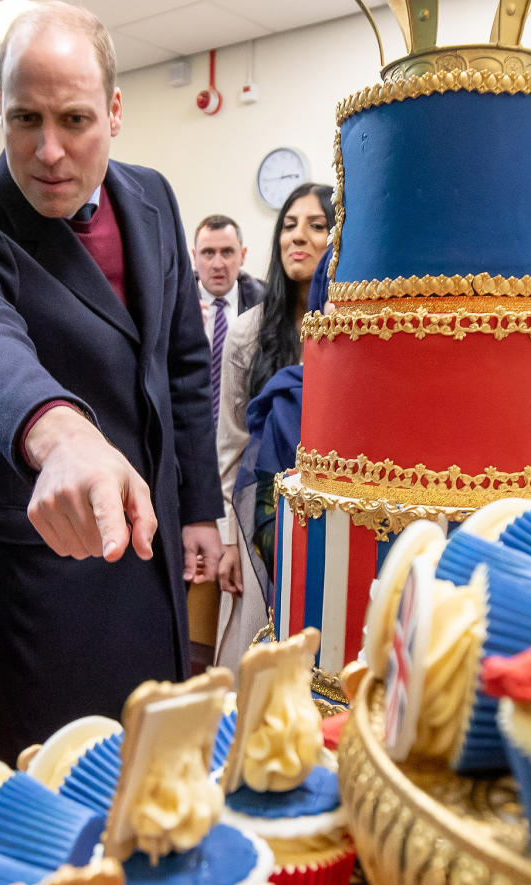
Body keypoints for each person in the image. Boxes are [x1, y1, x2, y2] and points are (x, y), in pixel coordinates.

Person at [0, 1, 223, 766]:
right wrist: (61, 436)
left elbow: (182, 364)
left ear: (114, 112)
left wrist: (202, 509)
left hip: (154, 550)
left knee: (154, 756)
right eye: (25, 119)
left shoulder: (152, 197)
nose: (49, 150)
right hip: (55, 564)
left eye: (74, 120)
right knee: (58, 777)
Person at [213, 182, 334, 671]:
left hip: (329, 520)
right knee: (253, 658)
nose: (297, 237)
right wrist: (227, 539)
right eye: (288, 225)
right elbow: (231, 444)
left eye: (317, 225)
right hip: (258, 515)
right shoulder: (249, 330)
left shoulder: (354, 333)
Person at [194, 214, 265, 421]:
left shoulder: (267, 306)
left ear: (242, 256)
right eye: (208, 253)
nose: (218, 264)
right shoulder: (172, 305)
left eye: (227, 252)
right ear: (194, 257)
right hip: (190, 429)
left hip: (245, 427)